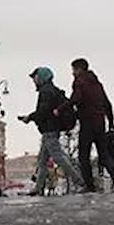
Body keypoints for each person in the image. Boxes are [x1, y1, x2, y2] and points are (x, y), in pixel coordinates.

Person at [19, 67, 85, 196]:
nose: (33, 80)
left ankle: (80, 181)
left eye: (35, 77)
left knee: (58, 157)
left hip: (49, 129)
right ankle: (38, 188)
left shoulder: (46, 92)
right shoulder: (52, 90)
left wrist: (30, 117)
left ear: (42, 77)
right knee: (42, 161)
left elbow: (43, 112)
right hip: (49, 130)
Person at [63, 57, 114, 193]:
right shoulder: (97, 83)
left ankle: (89, 186)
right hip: (100, 122)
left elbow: (76, 98)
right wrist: (111, 121)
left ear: (79, 69)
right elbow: (107, 102)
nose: (72, 73)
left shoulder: (79, 81)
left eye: (73, 70)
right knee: (103, 154)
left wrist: (62, 108)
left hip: (87, 122)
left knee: (83, 156)